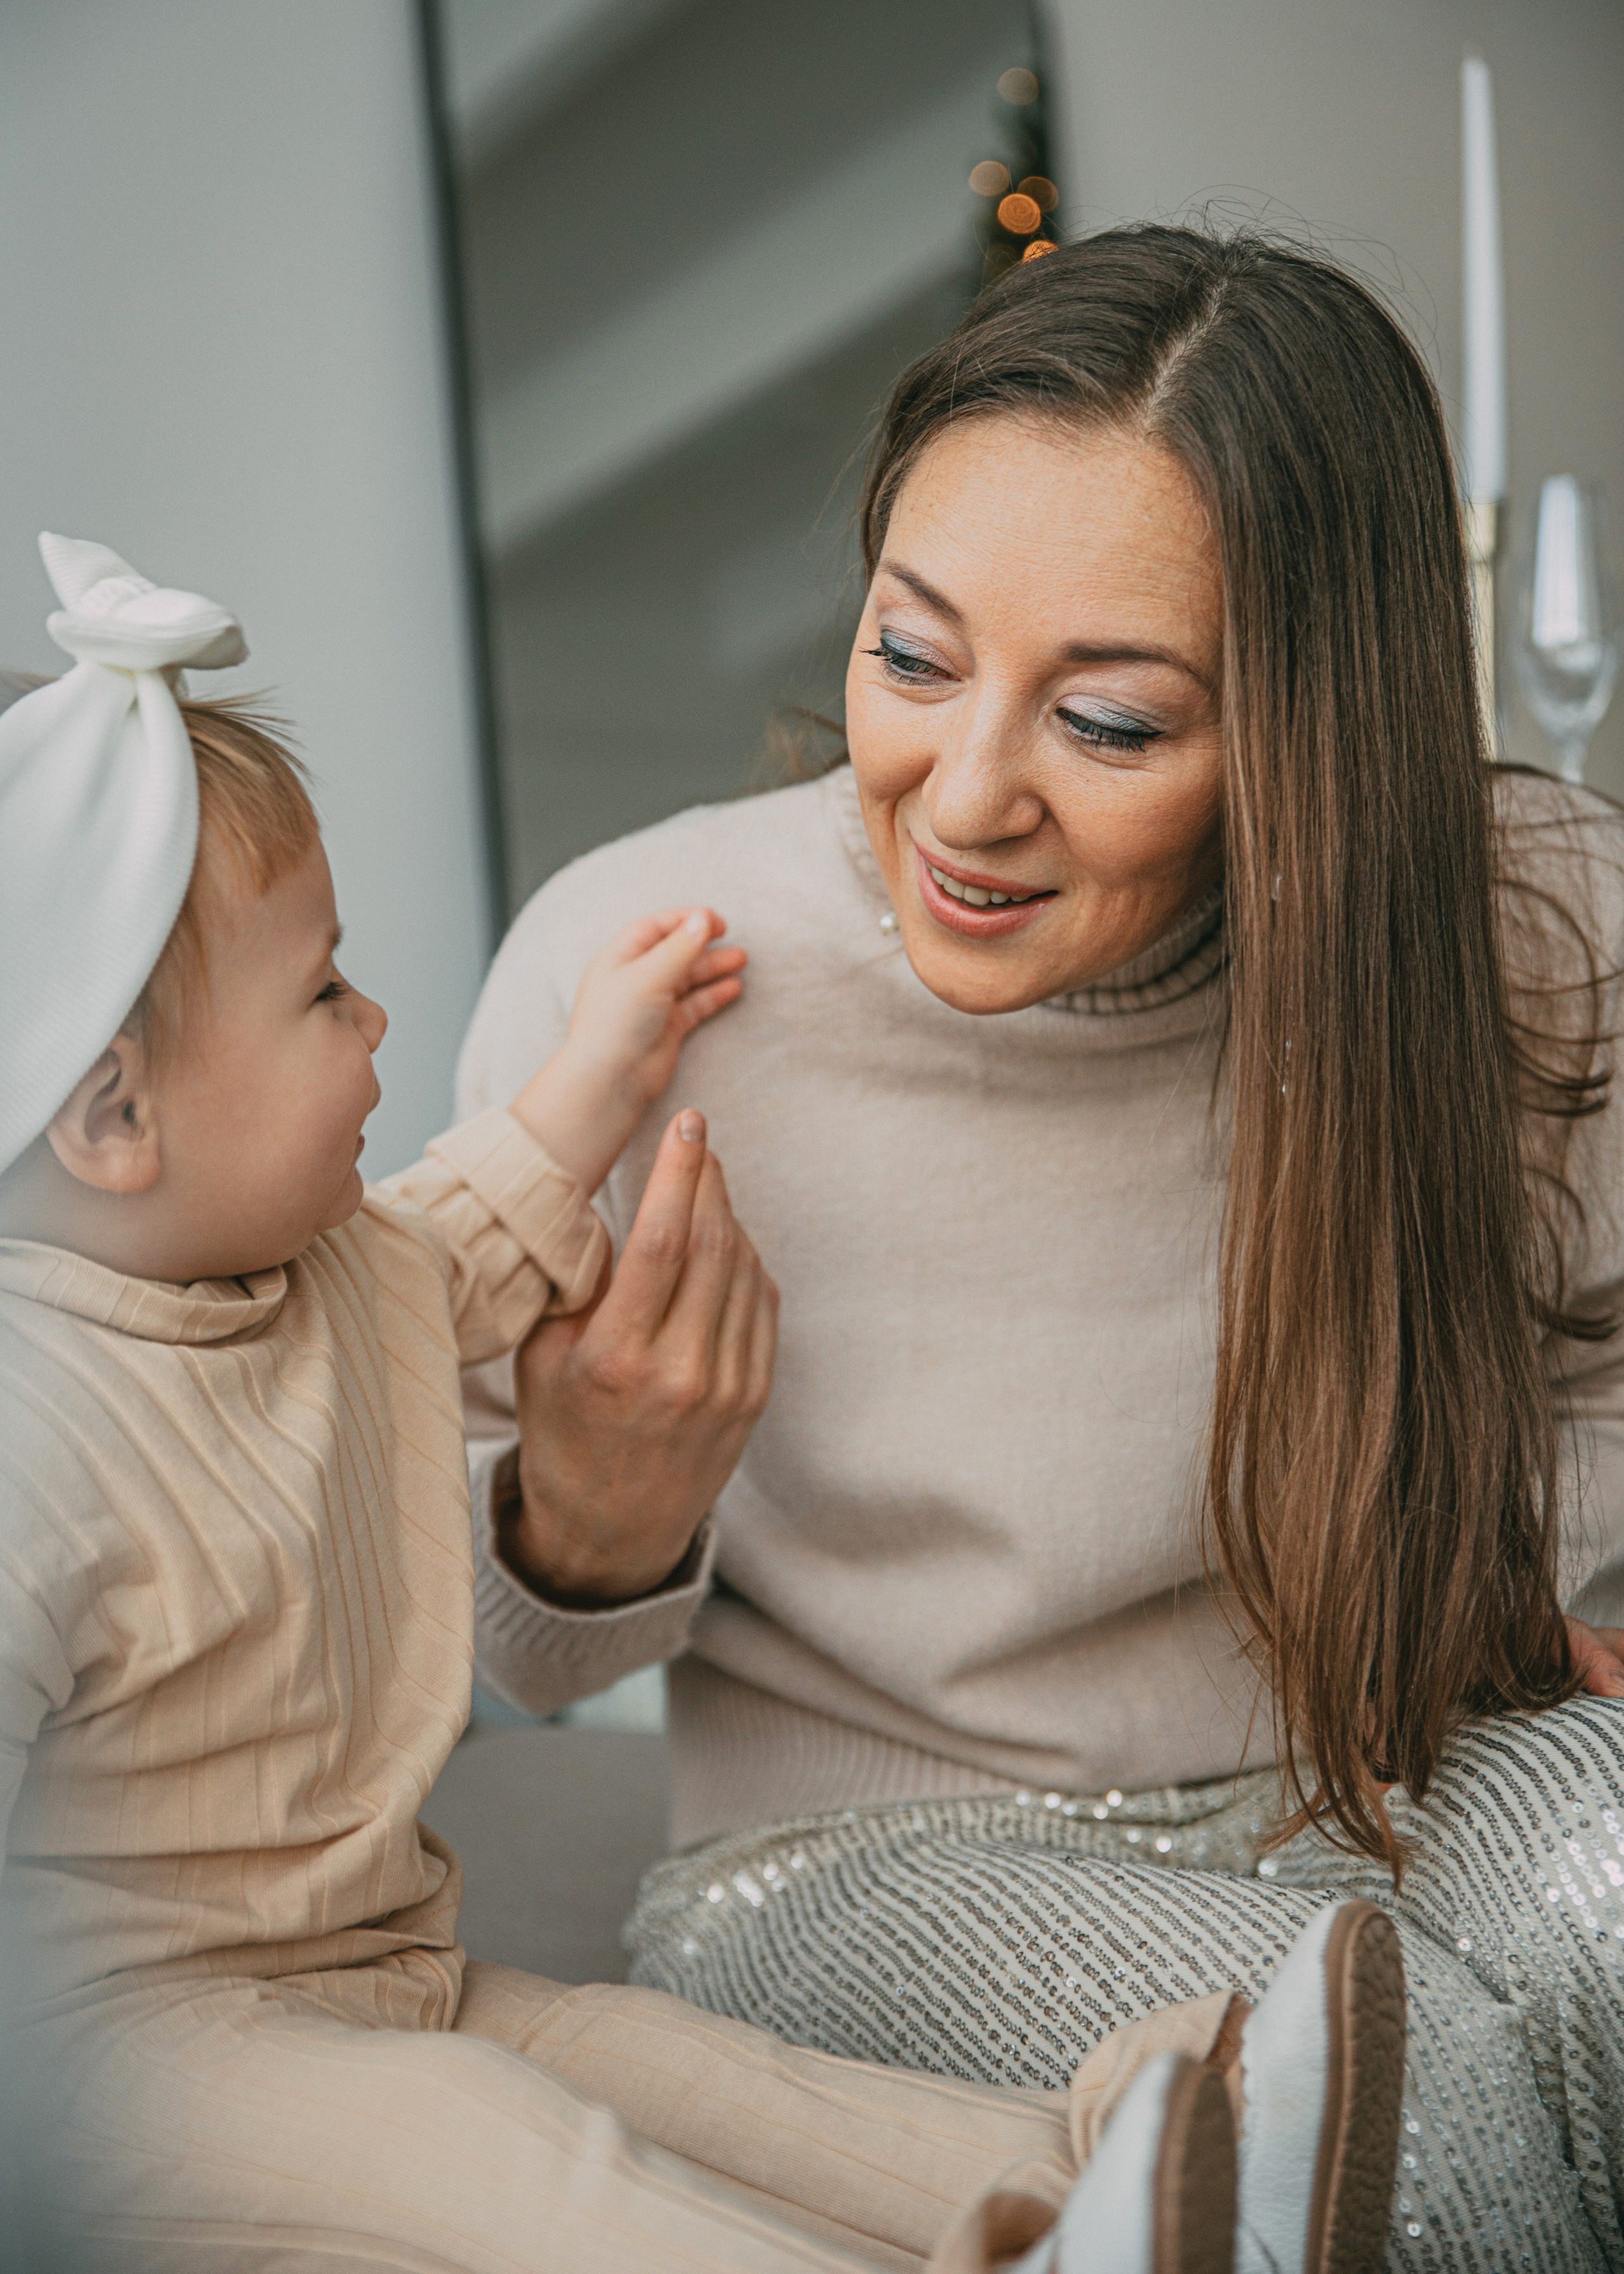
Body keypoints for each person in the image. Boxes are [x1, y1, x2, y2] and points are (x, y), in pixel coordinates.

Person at [0, 534, 1403, 2274]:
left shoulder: (331, 1276)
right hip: (141, 2061)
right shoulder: (36, 1442)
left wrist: (605, 1064)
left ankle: (1129, 2159)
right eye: (320, 993)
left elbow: (484, 1206)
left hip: (382, 1974)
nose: (376, 1022)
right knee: (527, 2164)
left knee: (693, 2078)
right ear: (113, 1119)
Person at [454, 227, 1624, 2270]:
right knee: (1389, 2098)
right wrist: (590, 1518)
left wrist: (1540, 1566)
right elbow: (500, 1643)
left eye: (1106, 720)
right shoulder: (638, 978)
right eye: (911, 658)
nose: (963, 796)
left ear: (1310, 739)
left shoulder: (1525, 921)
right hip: (864, 1848)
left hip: (1391, 1745)